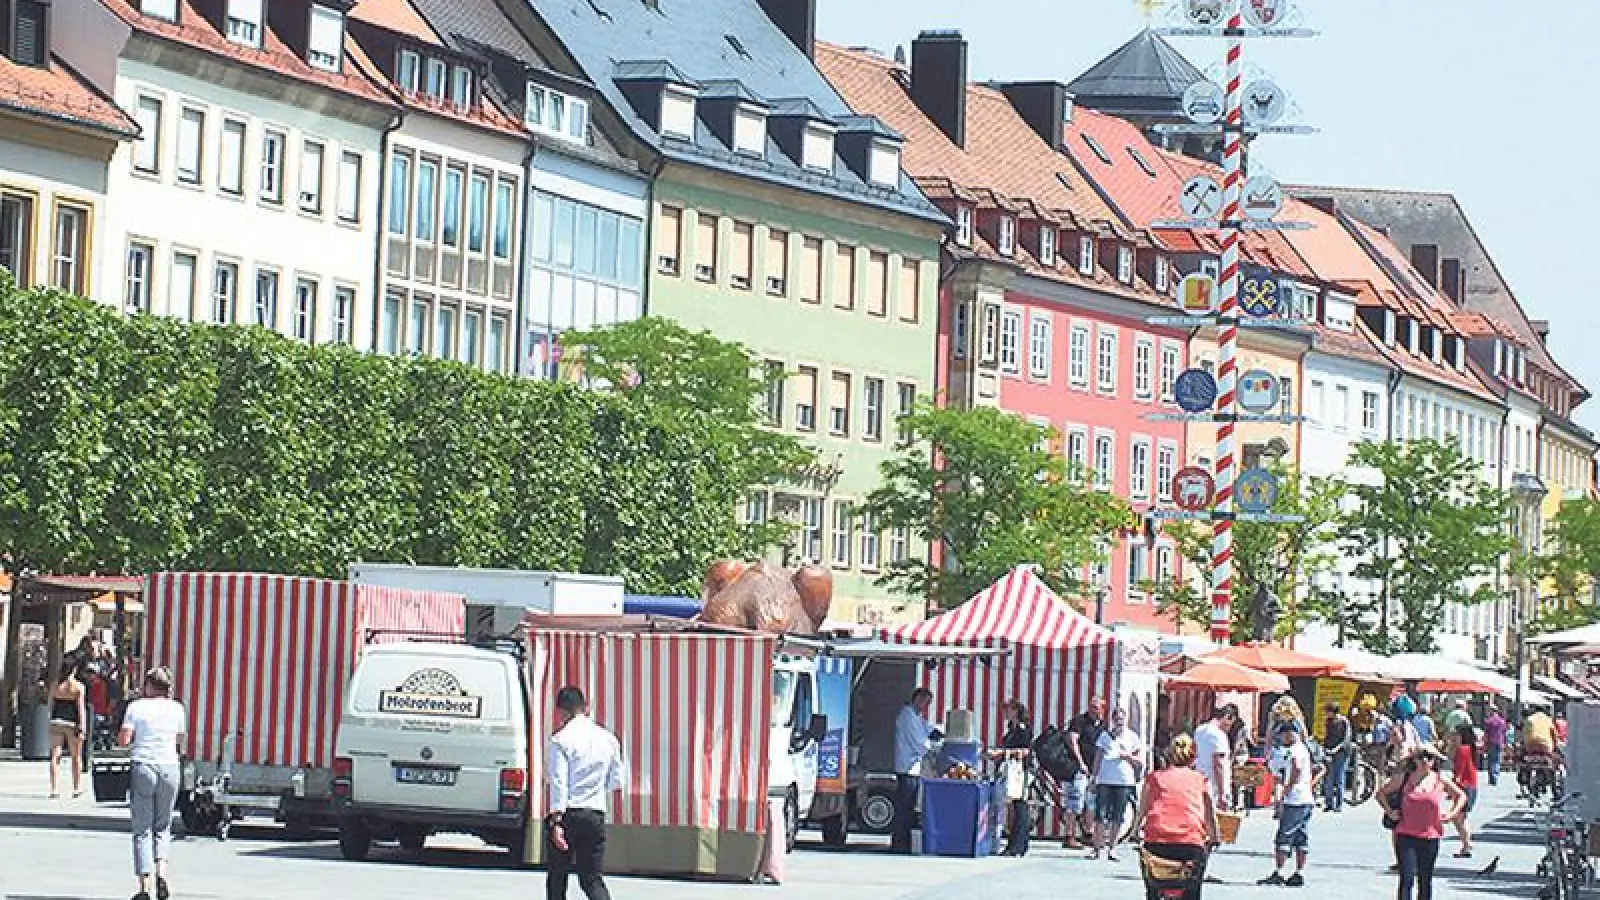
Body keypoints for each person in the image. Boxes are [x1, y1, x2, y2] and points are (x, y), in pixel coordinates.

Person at [546, 685, 626, 900]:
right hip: (595, 813)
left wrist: (556, 821)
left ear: (562, 711)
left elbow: (558, 783)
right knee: (591, 878)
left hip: (569, 812)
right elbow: (617, 780)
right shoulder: (609, 739)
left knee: (557, 877)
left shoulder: (560, 740)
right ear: (586, 707)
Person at [119, 667, 186, 900]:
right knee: (163, 826)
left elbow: (124, 738)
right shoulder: (177, 708)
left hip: (143, 765)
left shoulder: (136, 707)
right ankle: (163, 875)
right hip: (169, 767)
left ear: (149, 685)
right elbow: (179, 738)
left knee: (142, 829)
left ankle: (144, 886)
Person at [1131, 735, 1219, 900]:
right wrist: (1214, 837)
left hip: (1157, 841)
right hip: (1190, 842)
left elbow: (1142, 809)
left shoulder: (1154, 778)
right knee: (1192, 891)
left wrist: (1135, 831)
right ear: (1193, 758)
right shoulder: (1200, 780)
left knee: (1153, 888)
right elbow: (1209, 814)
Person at [1381, 746, 1466, 900]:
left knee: (1425, 880)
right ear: (1415, 759)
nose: (1425, 760)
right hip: (1406, 835)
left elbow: (1461, 796)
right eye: (1421, 756)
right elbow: (1381, 793)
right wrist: (1390, 811)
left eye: (1429, 757)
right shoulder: (1405, 778)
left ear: (1434, 761)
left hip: (1430, 836)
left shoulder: (1440, 780)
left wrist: (1451, 814)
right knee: (1406, 879)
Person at [1259, 725, 1314, 887]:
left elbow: (1296, 767)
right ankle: (1299, 872)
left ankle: (1279, 871)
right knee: (1301, 837)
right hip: (1306, 798)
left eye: (1282, 736)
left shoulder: (1295, 750)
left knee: (1284, 836)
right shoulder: (1304, 748)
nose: (1281, 739)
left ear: (1290, 734)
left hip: (1295, 799)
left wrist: (1286, 789)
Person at [1090, 707, 1145, 862]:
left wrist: (1128, 757)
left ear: (1125, 719)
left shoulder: (1132, 737)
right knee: (1100, 815)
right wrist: (1094, 777)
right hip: (1105, 780)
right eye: (1117, 719)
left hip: (1124, 781)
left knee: (1118, 816)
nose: (1119, 721)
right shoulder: (1104, 736)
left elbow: (1140, 761)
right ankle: (1097, 848)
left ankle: (1112, 848)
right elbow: (1098, 757)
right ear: (1112, 720)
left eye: (1122, 718)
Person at [891, 688, 937, 854]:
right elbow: (919, 742)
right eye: (925, 701)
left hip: (914, 769)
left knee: (909, 808)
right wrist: (932, 747)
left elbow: (926, 728)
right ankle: (899, 843)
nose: (925, 706)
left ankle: (904, 842)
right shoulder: (907, 716)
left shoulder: (916, 717)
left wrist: (937, 732)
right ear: (917, 699)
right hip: (907, 768)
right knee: (904, 808)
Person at [1063, 697, 1108, 849]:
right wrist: (1080, 762)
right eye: (1091, 706)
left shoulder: (1102, 725)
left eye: (1096, 707)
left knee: (1091, 803)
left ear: (1103, 709)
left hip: (1094, 768)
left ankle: (1088, 833)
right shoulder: (1080, 721)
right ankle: (1069, 835)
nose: (1093, 710)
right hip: (1078, 767)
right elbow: (1072, 741)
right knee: (1075, 800)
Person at [993, 700, 1034, 857]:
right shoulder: (1011, 728)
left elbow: (1025, 750)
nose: (1005, 713)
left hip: (1020, 770)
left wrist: (1003, 753)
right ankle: (1016, 843)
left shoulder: (1023, 729)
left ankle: (1018, 844)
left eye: (1008, 710)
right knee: (1014, 806)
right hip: (1010, 768)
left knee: (1020, 805)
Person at [47, 663, 87, 799]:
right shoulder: (78, 687)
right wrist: (82, 727)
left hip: (56, 722)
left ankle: (54, 789)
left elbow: (50, 705)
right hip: (72, 723)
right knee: (76, 756)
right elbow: (80, 709)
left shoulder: (55, 685)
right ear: (74, 670)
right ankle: (76, 787)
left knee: (55, 756)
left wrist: (51, 718)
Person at [1193, 705, 1237, 809]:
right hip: (1214, 786)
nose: (1230, 728)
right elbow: (1219, 763)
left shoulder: (1200, 729)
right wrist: (1222, 793)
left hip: (1199, 781)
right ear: (1227, 717)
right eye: (1231, 724)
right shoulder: (1218, 735)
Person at [1450, 723, 1478, 858]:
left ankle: (1467, 844)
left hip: (1464, 786)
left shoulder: (1463, 750)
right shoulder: (1470, 748)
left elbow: (1459, 771)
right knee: (1460, 816)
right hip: (1471, 785)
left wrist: (1452, 787)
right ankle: (1466, 843)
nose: (1454, 737)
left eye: (1456, 734)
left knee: (1459, 817)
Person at [1321, 703, 1353, 814]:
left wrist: (1337, 748)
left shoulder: (1344, 721)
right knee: (1328, 778)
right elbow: (1327, 736)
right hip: (1330, 751)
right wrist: (1325, 748)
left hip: (1341, 752)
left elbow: (1346, 738)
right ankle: (1329, 803)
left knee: (1339, 777)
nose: (1326, 714)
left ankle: (1339, 804)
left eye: (1328, 711)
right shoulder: (1328, 721)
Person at [1481, 708, 1507, 787]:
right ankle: (1495, 776)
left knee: (1491, 760)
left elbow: (1486, 733)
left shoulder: (1488, 721)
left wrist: (1484, 743)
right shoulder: (1502, 721)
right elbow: (1504, 732)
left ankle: (1492, 778)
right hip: (1499, 742)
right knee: (1497, 760)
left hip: (1491, 742)